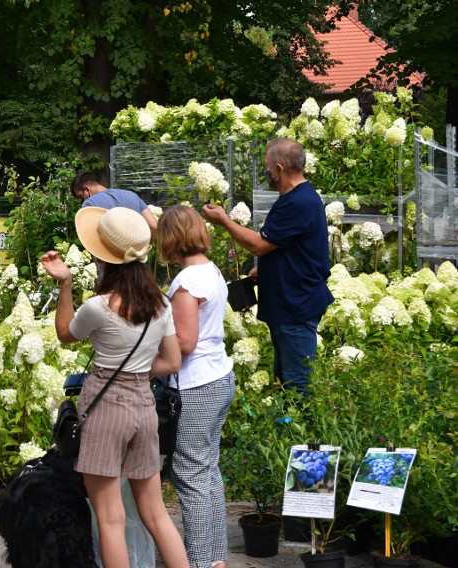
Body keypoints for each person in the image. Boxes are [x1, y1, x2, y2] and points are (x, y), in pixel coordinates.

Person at [40, 206, 189, 568]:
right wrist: (137, 371)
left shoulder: (98, 307)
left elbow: (64, 335)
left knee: (110, 517)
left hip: (106, 408)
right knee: (155, 513)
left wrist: (65, 283)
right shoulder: (161, 305)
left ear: (103, 256)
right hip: (143, 407)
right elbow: (171, 362)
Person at [203, 138, 333, 395]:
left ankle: (306, 434)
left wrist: (226, 222)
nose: (266, 173)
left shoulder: (297, 202)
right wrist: (268, 267)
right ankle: (289, 433)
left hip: (295, 306)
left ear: (279, 168)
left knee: (298, 388)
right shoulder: (300, 197)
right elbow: (293, 247)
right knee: (285, 381)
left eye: (267, 167)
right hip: (291, 304)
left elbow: (260, 245)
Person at [157, 206, 236, 568]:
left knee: (189, 475)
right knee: (207, 472)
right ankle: (216, 559)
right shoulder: (211, 270)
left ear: (170, 239)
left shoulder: (187, 282)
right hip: (219, 376)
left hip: (196, 384)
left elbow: (185, 342)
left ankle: (203, 562)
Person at [71, 172, 158, 237]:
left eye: (81, 196)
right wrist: (142, 250)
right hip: (136, 257)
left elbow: (91, 237)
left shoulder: (89, 204)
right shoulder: (131, 195)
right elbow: (154, 226)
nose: (82, 200)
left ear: (87, 189)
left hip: (110, 258)